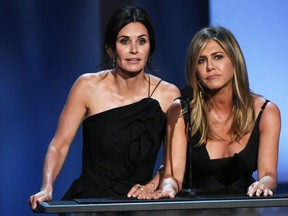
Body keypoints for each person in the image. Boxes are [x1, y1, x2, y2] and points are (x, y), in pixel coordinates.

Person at [29, 5, 180, 211]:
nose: (134, 49)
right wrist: (47, 187)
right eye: (124, 41)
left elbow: (173, 163)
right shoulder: (87, 86)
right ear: (110, 48)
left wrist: (152, 186)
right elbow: (59, 144)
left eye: (141, 41)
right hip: (91, 203)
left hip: (139, 205)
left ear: (150, 48)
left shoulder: (168, 95)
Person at [145, 26, 281, 199]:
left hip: (243, 209)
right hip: (195, 211)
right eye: (201, 61)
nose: (210, 67)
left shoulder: (266, 112)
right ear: (195, 70)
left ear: (234, 61)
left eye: (218, 57)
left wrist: (263, 184)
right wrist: (167, 187)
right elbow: (172, 176)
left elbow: (268, 174)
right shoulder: (180, 110)